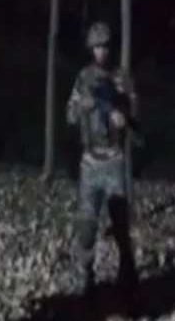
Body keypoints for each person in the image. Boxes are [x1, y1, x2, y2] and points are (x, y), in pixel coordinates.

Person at [66, 21, 139, 301]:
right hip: (89, 163)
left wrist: (124, 118)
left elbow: (135, 113)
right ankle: (85, 275)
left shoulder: (122, 78)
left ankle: (127, 274)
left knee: (120, 225)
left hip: (114, 161)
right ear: (90, 48)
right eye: (97, 47)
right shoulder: (83, 78)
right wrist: (80, 107)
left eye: (105, 46)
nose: (101, 52)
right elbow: (69, 115)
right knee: (86, 227)